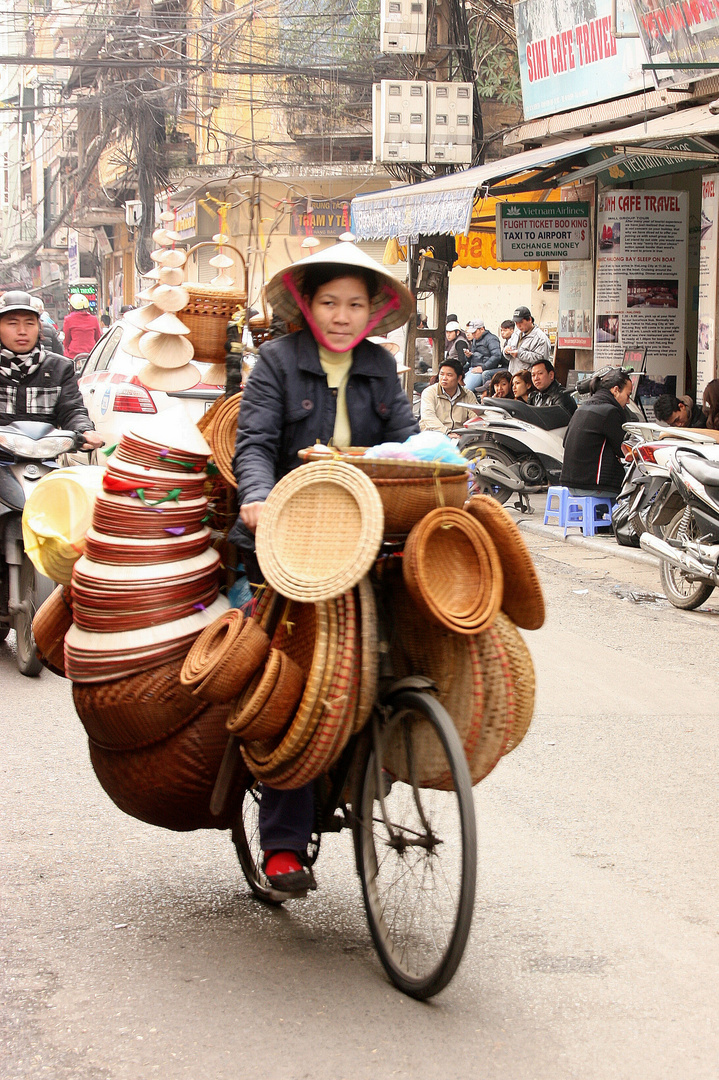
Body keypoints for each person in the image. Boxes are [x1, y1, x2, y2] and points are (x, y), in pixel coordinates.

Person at [229, 244, 416, 899]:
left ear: (373, 311)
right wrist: (256, 499)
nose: (341, 316)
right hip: (292, 534)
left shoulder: (380, 366)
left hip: (366, 531)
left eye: (354, 304)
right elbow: (252, 445)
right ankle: (281, 845)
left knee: (409, 645)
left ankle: (388, 748)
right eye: (329, 303)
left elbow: (407, 445)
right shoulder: (276, 364)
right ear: (308, 307)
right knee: (297, 689)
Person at [0, 291, 103, 448]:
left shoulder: (60, 368)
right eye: (12, 323)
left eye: (29, 323)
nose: (22, 331)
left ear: (39, 328)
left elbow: (72, 410)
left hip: (44, 457)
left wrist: (84, 430)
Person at [560, 369, 632, 496]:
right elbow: (623, 450)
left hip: (570, 483)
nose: (628, 401)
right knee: (638, 485)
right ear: (616, 390)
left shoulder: (581, 408)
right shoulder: (610, 412)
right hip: (593, 485)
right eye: (628, 395)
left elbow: (565, 443)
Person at [419, 356, 478, 437]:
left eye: (449, 375)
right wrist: (447, 433)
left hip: (459, 437)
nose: (444, 378)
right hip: (434, 436)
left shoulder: (468, 395)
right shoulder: (429, 392)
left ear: (459, 378)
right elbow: (428, 417)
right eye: (441, 374)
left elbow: (475, 417)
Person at [503, 306, 551, 375]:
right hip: (513, 376)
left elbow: (541, 360)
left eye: (521, 322)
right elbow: (508, 351)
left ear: (530, 319)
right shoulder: (516, 334)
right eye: (516, 323)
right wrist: (506, 351)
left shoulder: (540, 338)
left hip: (529, 379)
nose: (518, 325)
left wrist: (519, 354)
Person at [464, 320, 503, 391]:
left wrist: (483, 367)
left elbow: (496, 356)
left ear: (482, 329)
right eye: (472, 333)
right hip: (473, 368)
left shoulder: (491, 339)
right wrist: (468, 356)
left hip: (482, 370)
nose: (473, 335)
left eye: (475, 332)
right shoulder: (475, 339)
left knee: (465, 390)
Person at [62, 294, 101, 361]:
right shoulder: (94, 319)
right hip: (91, 355)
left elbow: (66, 341)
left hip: (73, 356)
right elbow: (98, 338)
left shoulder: (68, 319)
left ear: (71, 307)